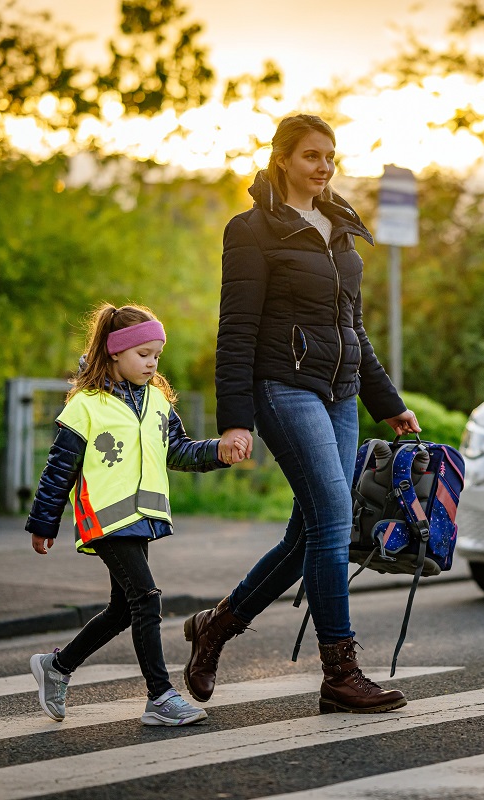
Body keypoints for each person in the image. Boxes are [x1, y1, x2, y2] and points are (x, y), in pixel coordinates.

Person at [183, 114, 421, 714]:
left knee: (308, 534)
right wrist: (235, 419)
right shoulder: (253, 231)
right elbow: (235, 330)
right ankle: (340, 674)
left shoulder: (340, 230)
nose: (324, 167)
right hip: (282, 387)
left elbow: (352, 329)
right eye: (312, 155)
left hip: (339, 393)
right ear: (283, 158)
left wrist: (386, 403)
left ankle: (215, 627)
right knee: (335, 515)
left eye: (331, 157)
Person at [26, 303, 228, 726]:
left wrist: (219, 451)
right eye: (143, 354)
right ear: (115, 352)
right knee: (146, 599)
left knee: (123, 610)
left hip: (142, 517)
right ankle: (160, 697)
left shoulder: (157, 401)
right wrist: (45, 521)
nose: (152, 363)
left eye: (157, 355)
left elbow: (179, 451)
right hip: (104, 519)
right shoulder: (86, 404)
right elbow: (59, 467)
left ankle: (56, 667)